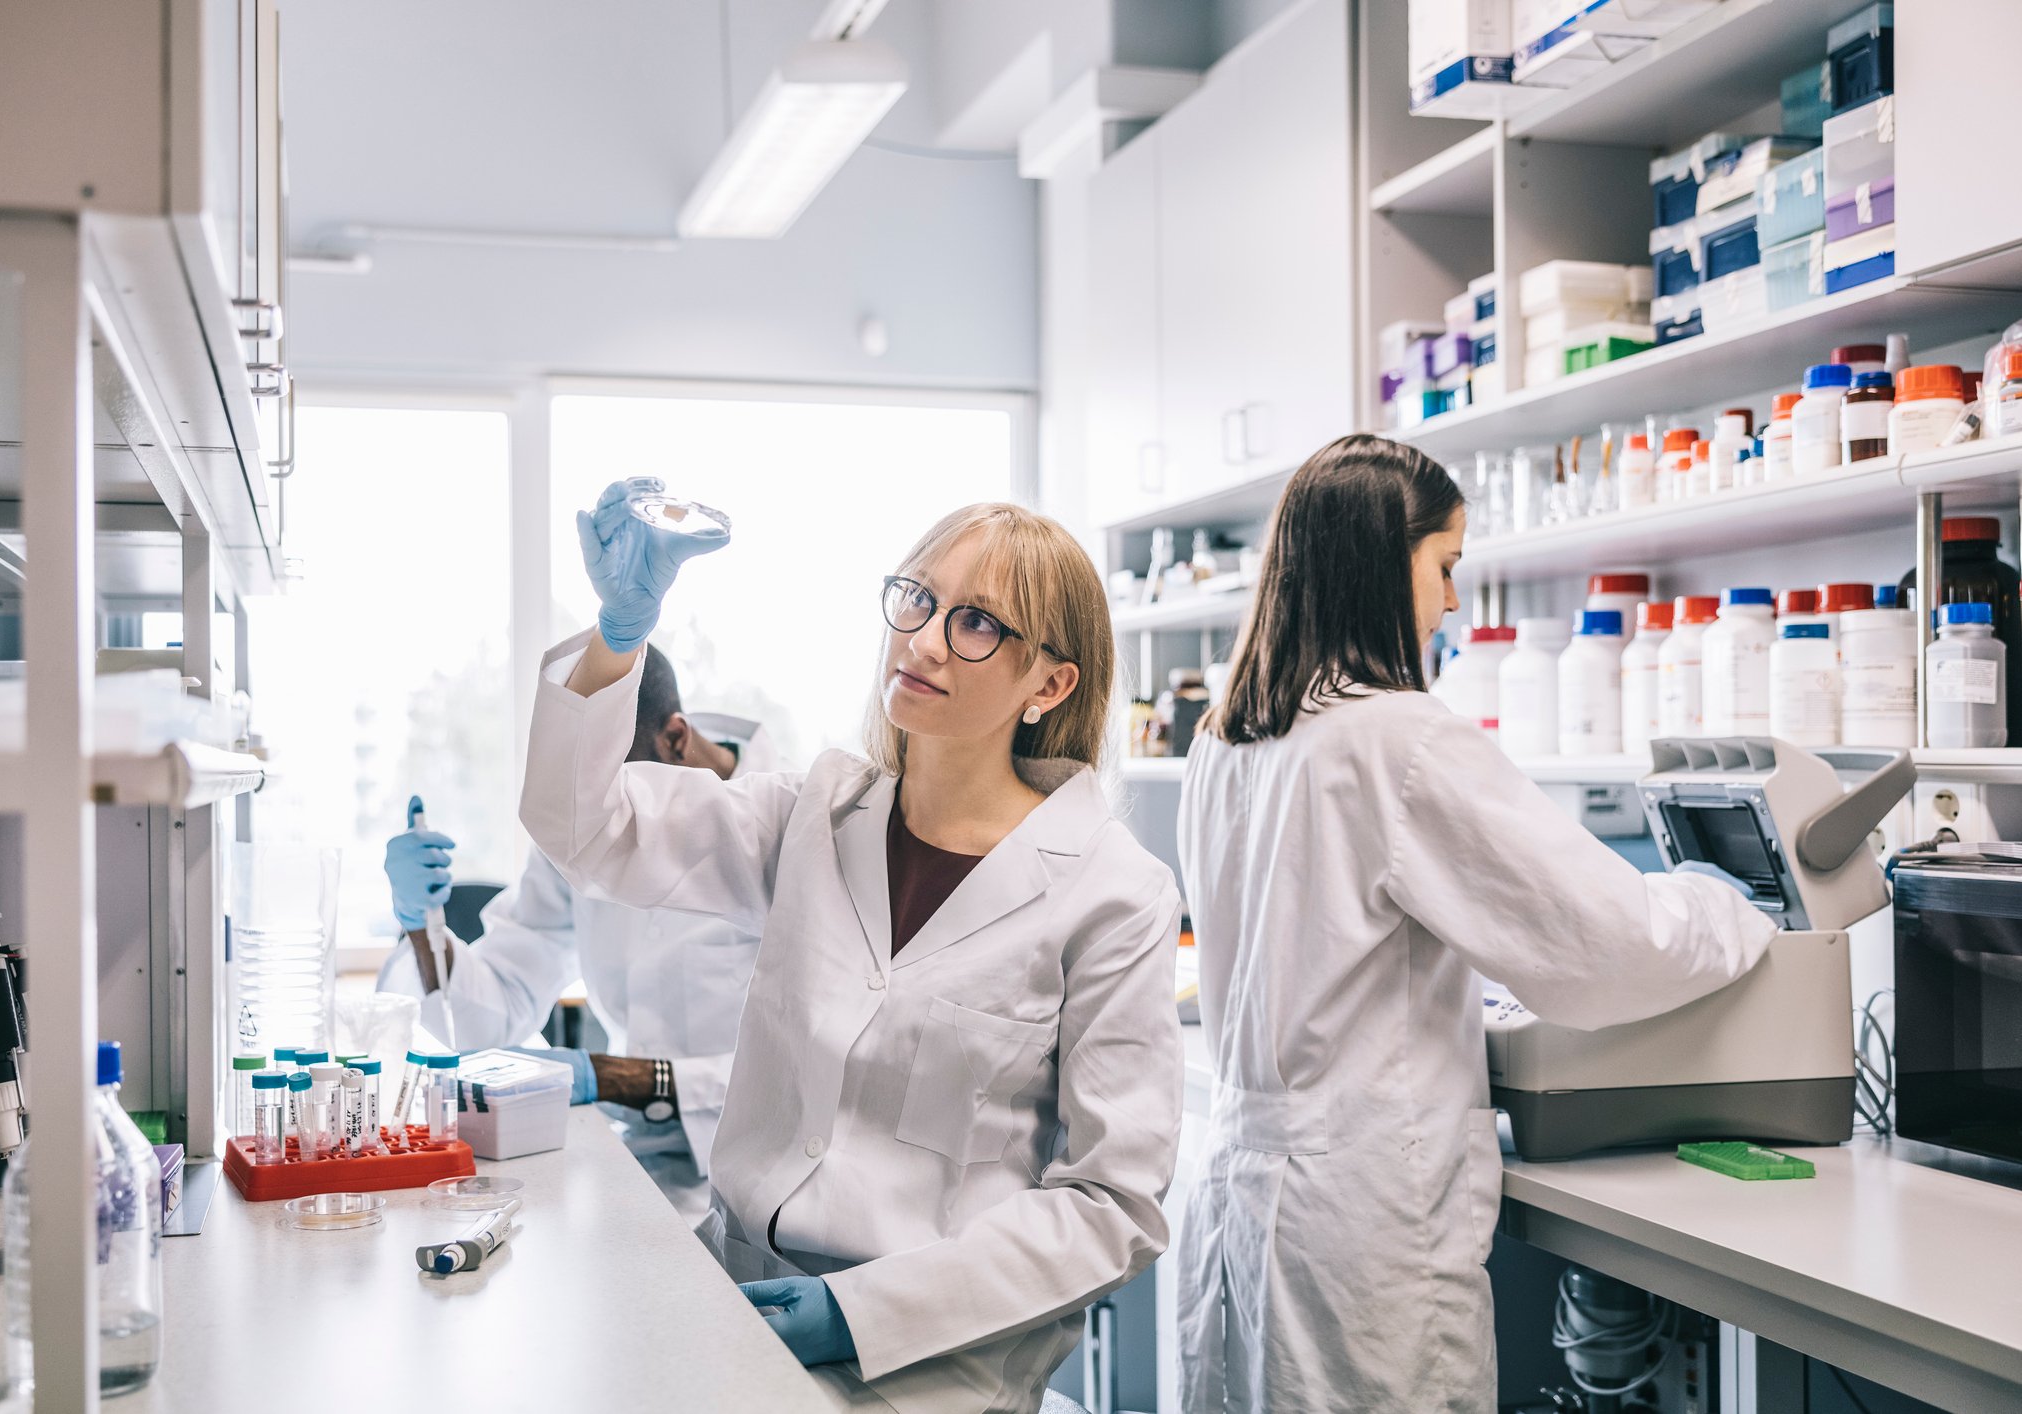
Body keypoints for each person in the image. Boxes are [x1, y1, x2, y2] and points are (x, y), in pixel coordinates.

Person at [519, 477, 1182, 1414]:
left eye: (976, 623)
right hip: (729, 1302)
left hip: (935, 1367)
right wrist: (617, 636)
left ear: (1051, 682)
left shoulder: (1113, 893)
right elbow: (580, 826)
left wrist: (860, 1311)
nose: (920, 639)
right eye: (917, 597)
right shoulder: (815, 813)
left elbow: (1113, 1205)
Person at [1174, 434, 1778, 1413]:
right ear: (1380, 561)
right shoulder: (1398, 739)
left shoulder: (1232, 740)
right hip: (1359, 1215)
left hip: (1247, 1196)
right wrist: (1730, 903)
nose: (1451, 599)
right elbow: (1602, 944)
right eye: (1444, 565)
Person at [379, 646, 775, 1220]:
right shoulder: (580, 827)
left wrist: (628, 1079)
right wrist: (419, 924)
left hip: (768, 1185)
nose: (596, 823)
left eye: (611, 794)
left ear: (675, 738)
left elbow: (820, 1069)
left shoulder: (793, 828)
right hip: (639, 1167)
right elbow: (498, 1001)